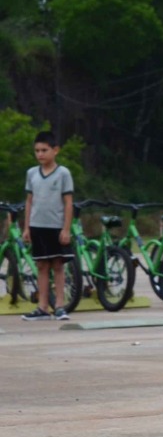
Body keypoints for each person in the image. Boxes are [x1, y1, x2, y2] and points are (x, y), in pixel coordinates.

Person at [21, 131, 74, 321]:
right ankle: (42, 306)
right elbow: (29, 201)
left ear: (55, 150)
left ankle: (59, 305)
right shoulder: (31, 173)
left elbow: (68, 202)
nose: (40, 154)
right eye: (37, 151)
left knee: (58, 265)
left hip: (56, 226)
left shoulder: (63, 173)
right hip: (37, 226)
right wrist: (27, 227)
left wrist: (66, 229)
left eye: (44, 150)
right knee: (42, 265)